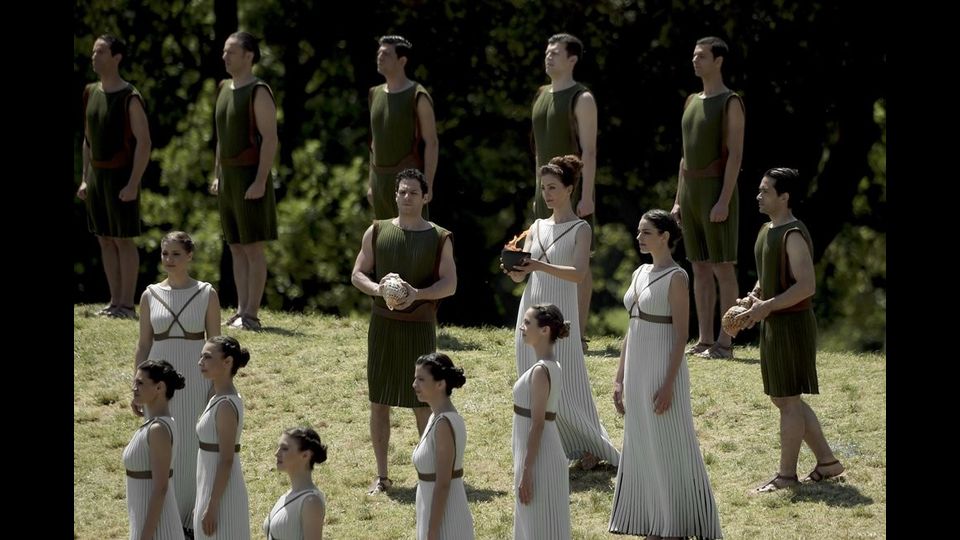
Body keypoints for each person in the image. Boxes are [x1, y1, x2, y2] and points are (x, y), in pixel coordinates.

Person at [608, 210, 722, 539]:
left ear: (665, 237)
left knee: (668, 444)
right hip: (637, 367)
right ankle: (654, 521)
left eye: (646, 232)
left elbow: (681, 334)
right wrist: (619, 377)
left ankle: (676, 524)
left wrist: (669, 383)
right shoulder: (639, 272)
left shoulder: (677, 277)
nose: (639, 238)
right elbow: (631, 328)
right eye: (639, 232)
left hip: (662, 367)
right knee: (642, 443)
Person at [505, 155, 619, 470]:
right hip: (530, 311)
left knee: (567, 386)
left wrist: (539, 265)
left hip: (559, 315)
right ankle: (543, 449)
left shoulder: (581, 229)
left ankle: (591, 444)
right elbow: (523, 275)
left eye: (553, 187)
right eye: (544, 188)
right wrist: (515, 270)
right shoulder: (536, 226)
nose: (547, 194)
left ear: (569, 189)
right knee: (531, 381)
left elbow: (579, 273)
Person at [734, 168, 845, 492]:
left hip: (792, 324)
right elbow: (769, 274)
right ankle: (827, 462)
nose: (758, 196)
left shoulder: (793, 234)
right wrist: (754, 296)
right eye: (760, 189)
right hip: (774, 322)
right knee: (784, 398)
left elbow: (806, 286)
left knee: (787, 400)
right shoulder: (767, 230)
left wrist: (766, 306)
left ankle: (785, 476)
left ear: (785, 197)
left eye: (766, 191)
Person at [350, 168, 457, 495]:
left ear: (425, 197)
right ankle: (382, 476)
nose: (406, 197)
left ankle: (429, 473)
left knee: (423, 403)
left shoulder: (439, 237)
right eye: (402, 192)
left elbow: (450, 284)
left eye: (413, 192)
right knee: (379, 400)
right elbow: (357, 274)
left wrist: (417, 294)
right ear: (394, 196)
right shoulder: (377, 230)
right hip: (383, 325)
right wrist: (378, 289)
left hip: (419, 327)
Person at [133, 231, 221, 533]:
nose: (169, 260)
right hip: (158, 382)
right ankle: (163, 520)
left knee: (192, 445)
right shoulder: (149, 295)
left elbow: (215, 343)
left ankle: (190, 520)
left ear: (189, 256)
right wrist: (137, 385)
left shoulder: (206, 293)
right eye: (165, 254)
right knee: (161, 445)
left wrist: (215, 384)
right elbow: (144, 344)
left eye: (176, 254)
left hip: (195, 378)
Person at [670, 36, 745, 359]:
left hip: (716, 190)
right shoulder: (691, 101)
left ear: (718, 61)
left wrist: (724, 200)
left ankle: (725, 342)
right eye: (694, 55)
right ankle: (704, 339)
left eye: (701, 56)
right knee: (698, 267)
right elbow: (684, 157)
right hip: (690, 193)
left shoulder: (731, 102)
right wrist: (678, 200)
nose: (695, 60)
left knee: (722, 268)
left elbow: (735, 155)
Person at [77, 34, 151, 320]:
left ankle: (127, 305)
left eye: (100, 52)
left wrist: (133, 183)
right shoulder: (90, 92)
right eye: (93, 52)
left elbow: (144, 143)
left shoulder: (129, 97)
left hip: (121, 176)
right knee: (104, 239)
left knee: (123, 239)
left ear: (116, 58)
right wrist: (85, 178)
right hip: (97, 177)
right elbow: (87, 140)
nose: (94, 57)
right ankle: (114, 301)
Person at [531, 33, 597, 350]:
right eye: (547, 50)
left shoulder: (582, 98)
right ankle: (545, 327)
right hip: (544, 189)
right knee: (542, 255)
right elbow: (537, 150)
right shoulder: (541, 94)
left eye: (555, 52)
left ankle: (578, 332)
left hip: (574, 190)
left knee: (580, 261)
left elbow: (590, 151)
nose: (549, 56)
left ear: (572, 59)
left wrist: (587, 195)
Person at [210, 31, 279, 331]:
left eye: (231, 52)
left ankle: (251, 314)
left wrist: (260, 180)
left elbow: (270, 139)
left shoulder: (258, 91)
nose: (224, 56)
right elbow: (221, 139)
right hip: (228, 179)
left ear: (249, 55)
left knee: (252, 247)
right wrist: (217, 175)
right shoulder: (223, 88)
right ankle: (240, 310)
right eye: (225, 51)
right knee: (236, 246)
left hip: (250, 176)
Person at [513, 304, 571, 540]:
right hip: (540, 453)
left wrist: (527, 470)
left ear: (545, 330)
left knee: (538, 527)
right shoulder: (551, 365)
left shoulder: (540, 371)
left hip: (539, 459)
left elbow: (537, 423)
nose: (522, 327)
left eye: (527, 323)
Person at [368, 35, 438, 219]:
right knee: (384, 235)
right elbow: (374, 143)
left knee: (413, 235)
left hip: (408, 185)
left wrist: (428, 185)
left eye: (386, 54)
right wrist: (371, 183)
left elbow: (431, 142)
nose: (380, 57)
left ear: (402, 61)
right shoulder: (374, 94)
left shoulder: (417, 95)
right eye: (379, 53)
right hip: (380, 182)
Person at [411, 353, 475, 540]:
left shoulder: (443, 425)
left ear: (440, 384)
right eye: (415, 378)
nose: (414, 385)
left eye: (421, 379)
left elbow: (443, 483)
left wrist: (432, 531)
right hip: (435, 514)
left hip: (445, 520)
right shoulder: (436, 417)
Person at [194, 336, 251, 539]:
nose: (201, 362)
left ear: (227, 362)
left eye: (208, 357)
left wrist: (213, 505)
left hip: (222, 497)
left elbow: (227, 459)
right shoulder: (216, 399)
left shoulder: (225, 405)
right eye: (201, 356)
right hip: (210, 490)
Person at [123, 360, 186, 540]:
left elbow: (160, 487)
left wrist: (146, 535)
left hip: (158, 529)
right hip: (145, 522)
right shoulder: (155, 425)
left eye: (140, 383)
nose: (134, 388)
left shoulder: (158, 430)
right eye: (134, 382)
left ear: (159, 387)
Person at [263, 427, 327, 540]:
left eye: (285, 448)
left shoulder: (311, 502)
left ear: (305, 455)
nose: (276, 453)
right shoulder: (286, 496)